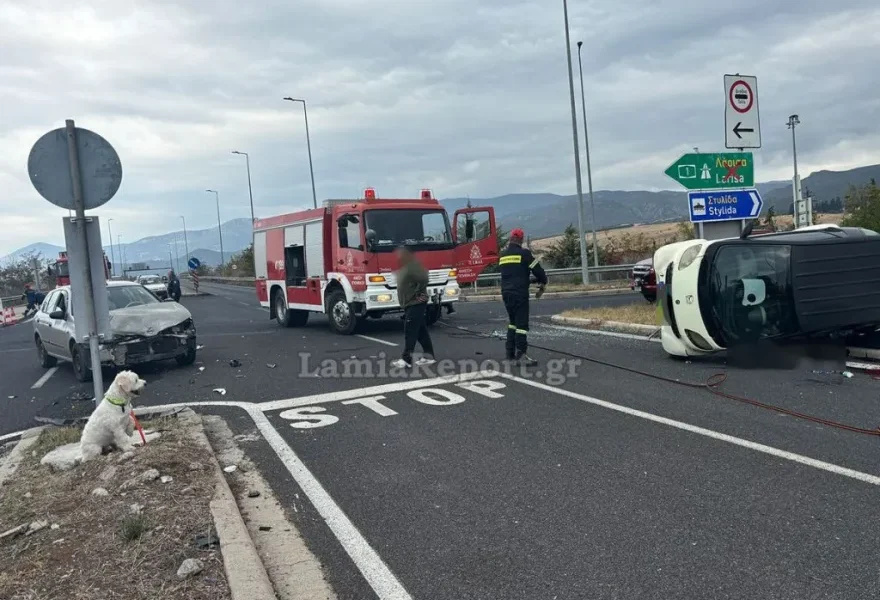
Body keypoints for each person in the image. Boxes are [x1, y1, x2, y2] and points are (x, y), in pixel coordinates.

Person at [499, 228, 547, 366]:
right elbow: (538, 271)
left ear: (510, 239)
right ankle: (521, 355)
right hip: (519, 293)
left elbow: (513, 274)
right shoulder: (524, 254)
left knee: (512, 322)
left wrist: (527, 280)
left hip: (506, 293)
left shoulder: (503, 255)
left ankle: (509, 355)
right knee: (521, 325)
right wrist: (541, 280)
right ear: (521, 240)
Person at [391, 246, 436, 369]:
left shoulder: (413, 265)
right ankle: (429, 356)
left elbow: (424, 278)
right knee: (421, 331)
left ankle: (406, 359)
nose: (399, 256)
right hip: (409, 303)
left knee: (410, 330)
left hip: (415, 304)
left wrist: (419, 293)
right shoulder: (406, 267)